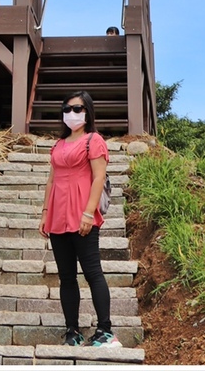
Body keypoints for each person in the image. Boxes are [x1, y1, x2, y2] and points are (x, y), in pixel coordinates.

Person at [39, 90, 121, 349]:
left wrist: (89, 213)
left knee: (93, 272)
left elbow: (98, 178)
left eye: (77, 109)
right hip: (57, 217)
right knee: (66, 277)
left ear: (87, 112)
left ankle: (106, 331)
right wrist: (44, 213)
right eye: (67, 109)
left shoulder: (93, 140)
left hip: (82, 215)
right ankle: (72, 330)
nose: (71, 114)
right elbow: (52, 179)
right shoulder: (59, 145)